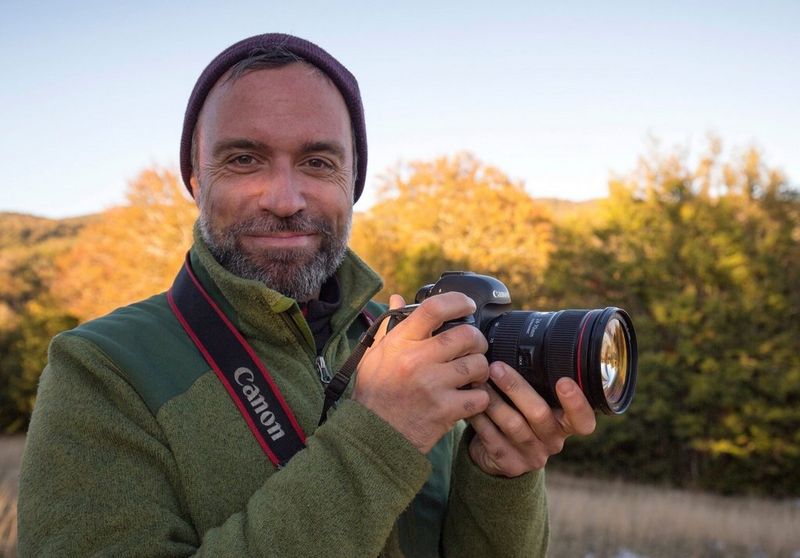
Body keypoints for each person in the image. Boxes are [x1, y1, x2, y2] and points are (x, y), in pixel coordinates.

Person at [18, 33, 596, 557]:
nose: (285, 197)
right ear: (195, 180)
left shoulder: (412, 345)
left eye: (318, 162)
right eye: (244, 159)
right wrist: (378, 437)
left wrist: (499, 478)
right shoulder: (99, 369)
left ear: (353, 185)